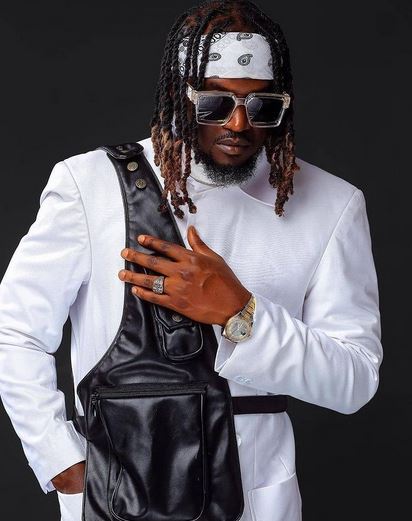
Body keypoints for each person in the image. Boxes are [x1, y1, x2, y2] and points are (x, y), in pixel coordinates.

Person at [0, 1, 383, 520]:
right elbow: (14, 332)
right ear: (181, 97)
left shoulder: (332, 205)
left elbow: (354, 381)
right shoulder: (89, 185)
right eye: (215, 103)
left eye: (262, 105)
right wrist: (63, 463)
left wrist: (240, 314)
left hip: (257, 497)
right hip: (118, 489)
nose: (239, 124)